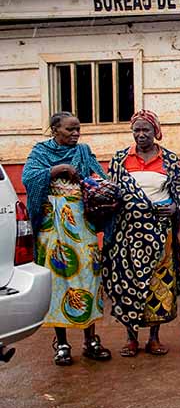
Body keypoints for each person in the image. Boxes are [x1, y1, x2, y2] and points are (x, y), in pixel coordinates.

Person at [22, 111, 112, 366]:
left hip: (82, 229)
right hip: (52, 231)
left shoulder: (83, 151)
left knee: (88, 279)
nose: (75, 134)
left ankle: (91, 341)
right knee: (58, 283)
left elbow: (99, 179)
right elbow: (28, 178)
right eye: (69, 130)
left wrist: (99, 186)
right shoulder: (40, 152)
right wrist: (58, 169)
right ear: (54, 130)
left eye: (77, 130)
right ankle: (61, 343)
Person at [103, 110, 180, 358]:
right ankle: (130, 339)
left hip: (160, 233)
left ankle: (154, 338)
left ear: (155, 132)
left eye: (145, 130)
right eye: (136, 130)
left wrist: (174, 207)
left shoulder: (168, 159)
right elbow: (111, 193)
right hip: (127, 233)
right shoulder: (119, 160)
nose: (140, 135)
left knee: (157, 283)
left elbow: (178, 192)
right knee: (128, 283)